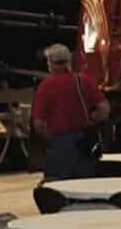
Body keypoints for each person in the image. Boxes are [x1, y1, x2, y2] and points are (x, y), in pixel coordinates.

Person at [31, 43, 109, 182]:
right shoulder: (83, 80)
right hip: (84, 142)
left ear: (50, 63)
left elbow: (39, 124)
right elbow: (104, 109)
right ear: (69, 60)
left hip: (59, 144)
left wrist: (52, 139)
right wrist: (91, 121)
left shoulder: (45, 87)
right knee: (86, 185)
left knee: (58, 187)